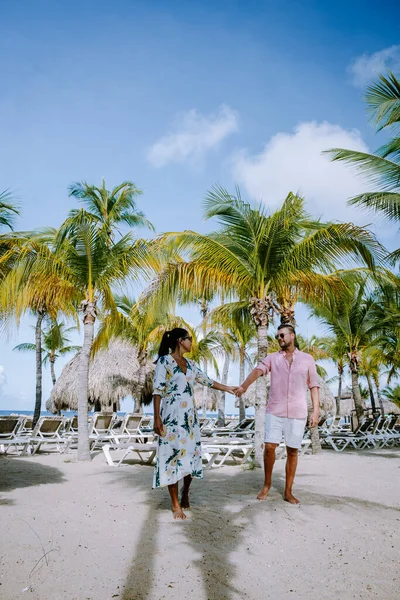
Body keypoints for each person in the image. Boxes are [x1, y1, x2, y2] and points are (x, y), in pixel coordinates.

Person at [152, 327, 237, 519]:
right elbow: (157, 391)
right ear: (180, 341)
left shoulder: (190, 365)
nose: (191, 342)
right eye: (189, 339)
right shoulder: (164, 362)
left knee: (190, 456)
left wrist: (229, 389)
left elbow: (208, 381)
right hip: (170, 418)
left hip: (190, 420)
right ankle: (175, 504)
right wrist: (157, 418)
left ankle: (185, 492)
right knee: (171, 458)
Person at [235, 324, 319, 504]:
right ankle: (267, 484)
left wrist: (316, 412)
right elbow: (258, 371)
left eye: (282, 335)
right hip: (275, 410)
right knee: (270, 447)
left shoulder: (307, 359)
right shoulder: (272, 358)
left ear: (292, 336)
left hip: (297, 412)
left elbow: (313, 386)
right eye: (277, 336)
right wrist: (244, 385)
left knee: (293, 451)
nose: (279, 338)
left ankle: (288, 491)